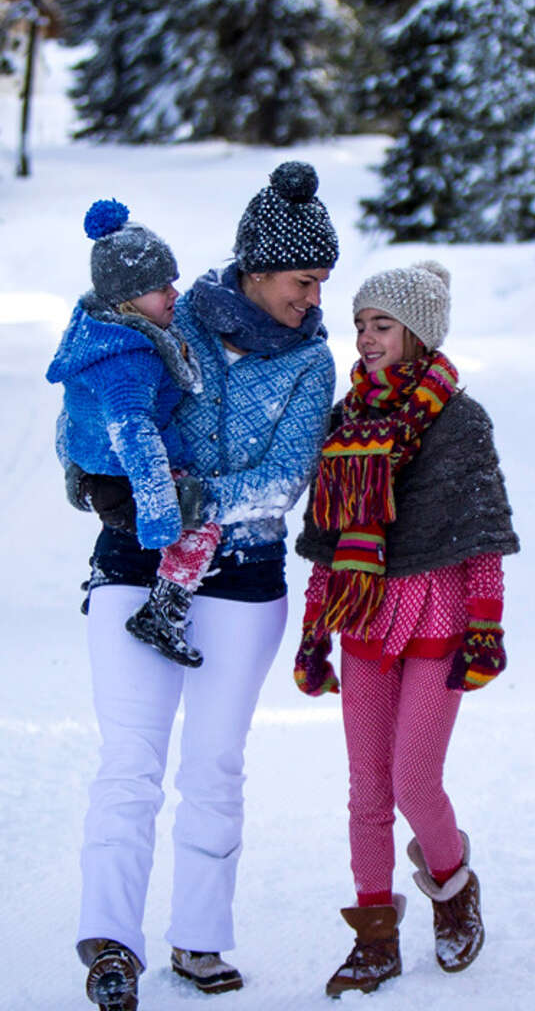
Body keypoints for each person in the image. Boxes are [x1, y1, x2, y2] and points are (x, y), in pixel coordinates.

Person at [69, 161, 339, 1011]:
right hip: (132, 568)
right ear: (257, 270)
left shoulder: (310, 361)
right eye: (303, 280)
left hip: (243, 580)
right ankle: (110, 942)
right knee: (130, 761)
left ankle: (199, 939)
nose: (313, 297)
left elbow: (281, 480)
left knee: (215, 764)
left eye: (322, 282)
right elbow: (93, 411)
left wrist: (183, 500)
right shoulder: (168, 315)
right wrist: (90, 476)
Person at [291, 260, 519, 998]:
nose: (365, 338)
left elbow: (481, 538)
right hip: (363, 620)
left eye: (381, 324)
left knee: (414, 779)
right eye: (360, 325)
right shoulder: (345, 419)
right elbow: (329, 539)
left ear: (418, 332)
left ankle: (453, 888)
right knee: (366, 788)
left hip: (437, 621)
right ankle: (373, 936)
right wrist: (312, 633)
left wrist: (487, 629)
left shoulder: (461, 422)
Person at [49, 200, 222, 670]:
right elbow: (134, 433)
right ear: (127, 300)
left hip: (101, 471)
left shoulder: (97, 332)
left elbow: (72, 411)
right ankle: (162, 612)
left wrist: (73, 463)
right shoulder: (129, 361)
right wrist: (164, 512)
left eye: (172, 280)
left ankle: (102, 575)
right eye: (159, 288)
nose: (173, 294)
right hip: (125, 476)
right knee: (201, 525)